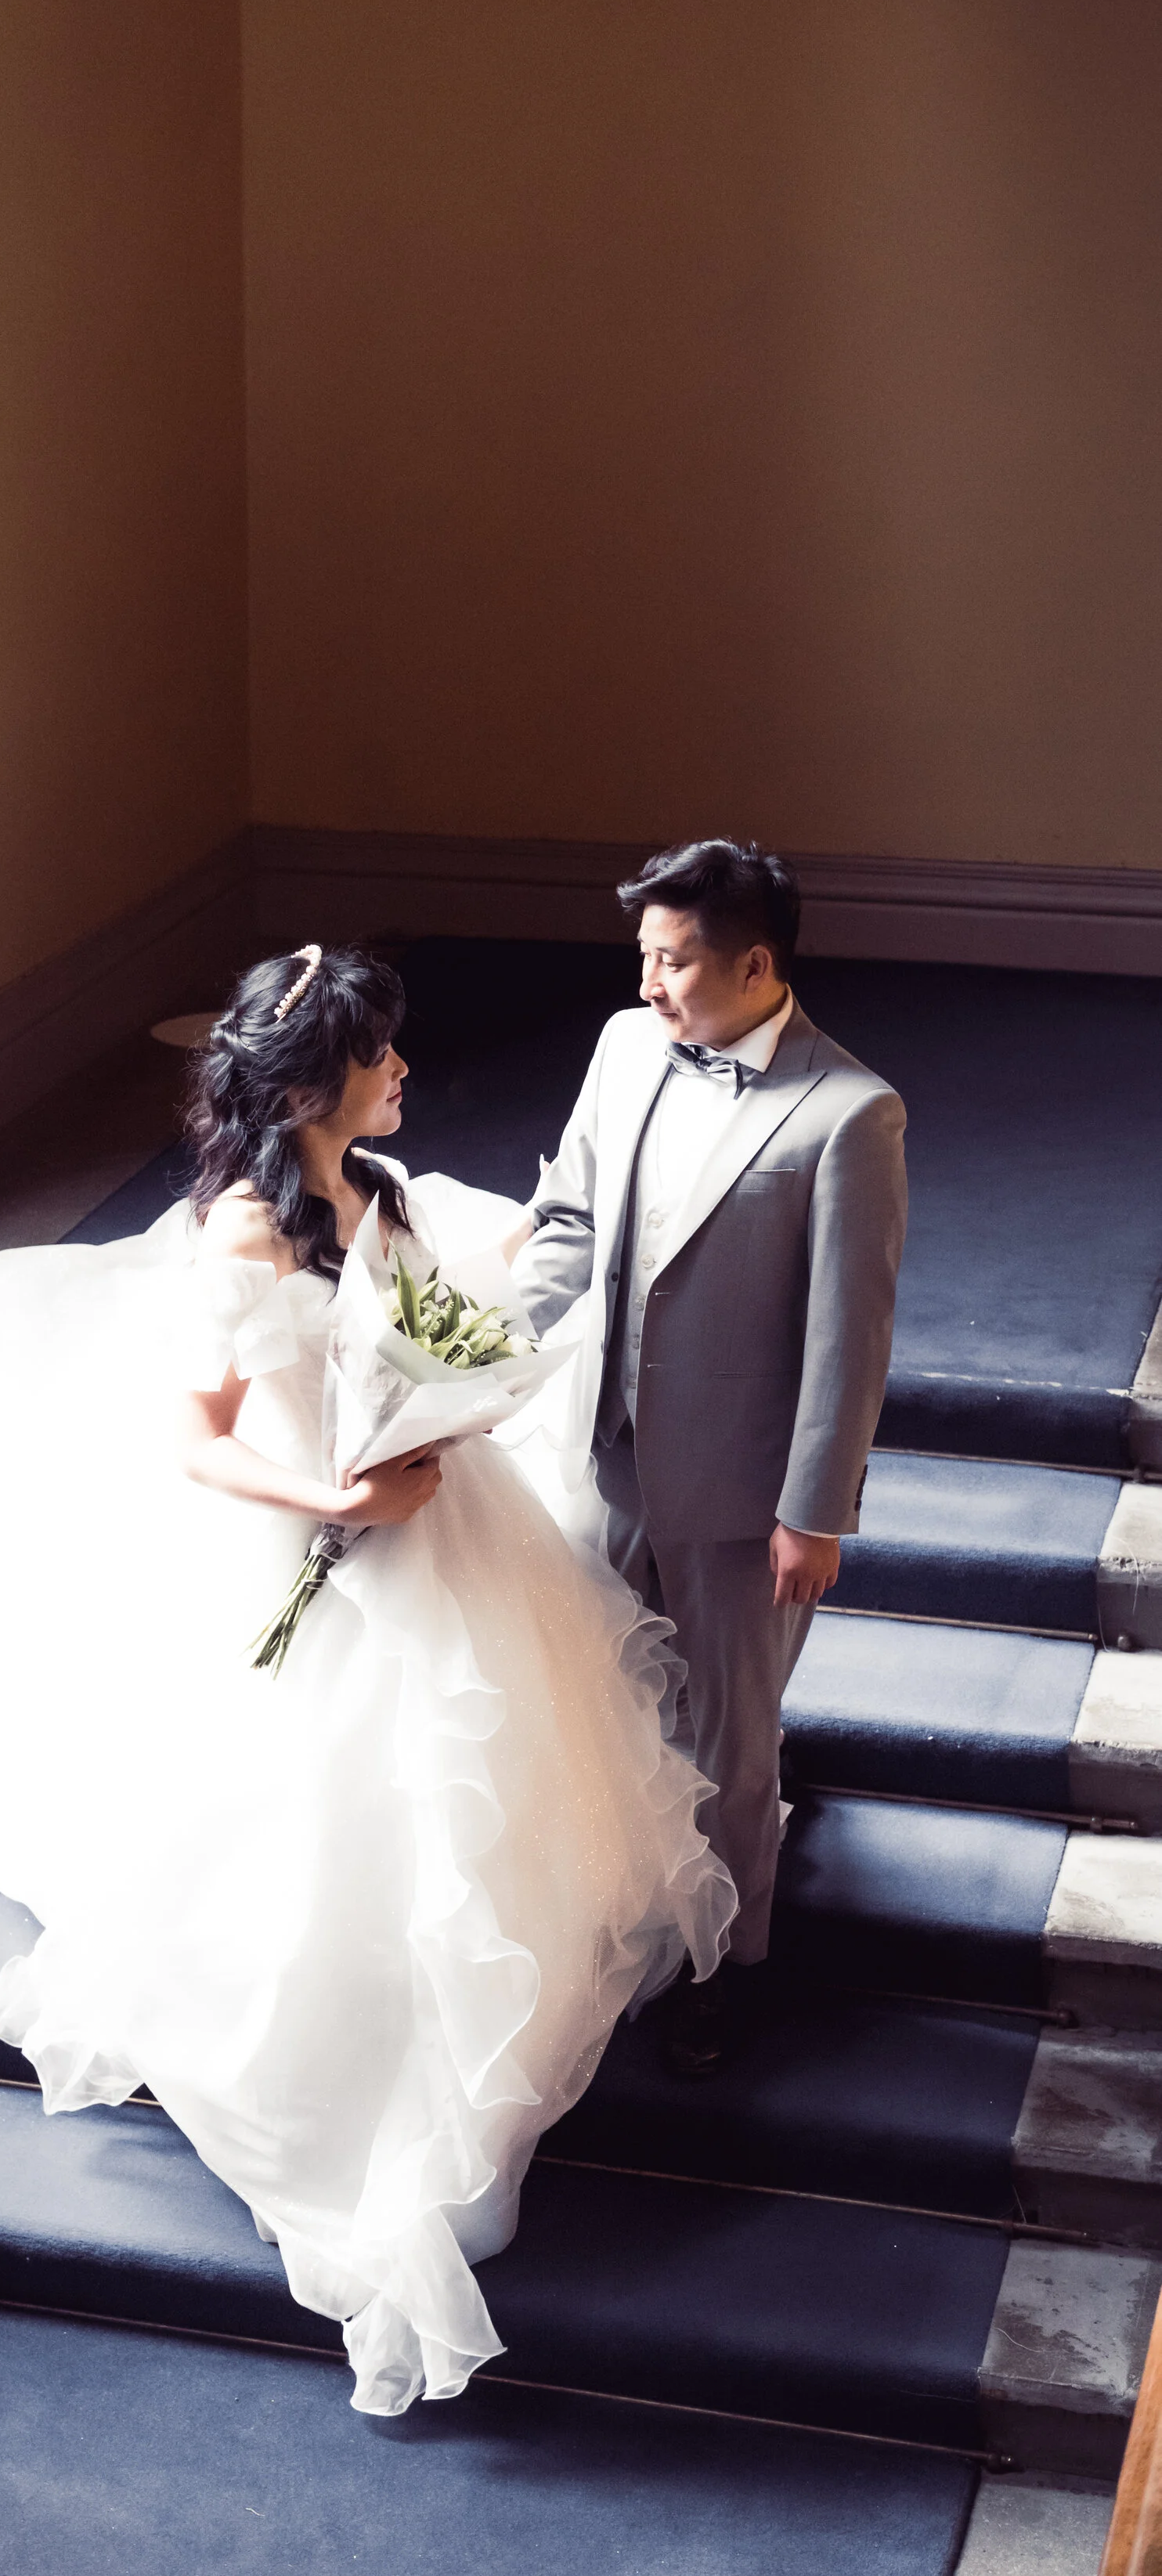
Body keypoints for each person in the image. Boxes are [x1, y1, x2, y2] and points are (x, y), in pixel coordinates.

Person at [0, 943, 733, 2419]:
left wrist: (455, 1405)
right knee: (334, 1816)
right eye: (380, 1054)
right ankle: (363, 2081)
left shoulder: (380, 1190)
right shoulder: (242, 1242)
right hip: (322, 1539)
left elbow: (417, 1329)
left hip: (447, 1527)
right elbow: (197, 1441)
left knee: (499, 1787)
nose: (406, 1069)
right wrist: (337, 1504)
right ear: (306, 1087)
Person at [507, 842, 908, 2077]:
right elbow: (573, 1216)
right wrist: (482, 1349)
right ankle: (635, 1916)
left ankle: (732, 1967)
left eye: (672, 961)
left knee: (734, 1742)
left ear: (755, 963)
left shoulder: (851, 1114)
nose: (649, 986)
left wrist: (815, 1512)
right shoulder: (630, 1049)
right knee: (617, 1697)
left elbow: (851, 1334)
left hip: (744, 1497)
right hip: (612, 1450)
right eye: (643, 956)